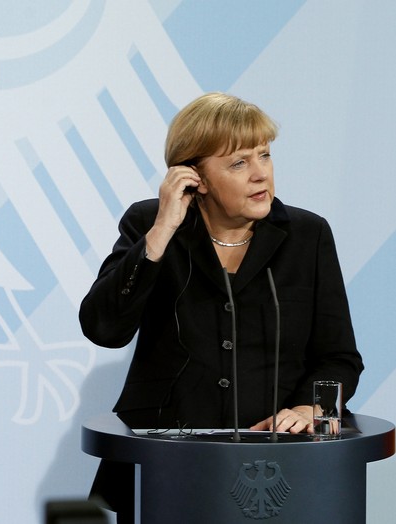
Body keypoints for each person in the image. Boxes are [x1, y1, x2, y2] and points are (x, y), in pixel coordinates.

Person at [78, 92, 363, 521]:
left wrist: (312, 409)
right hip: (163, 463)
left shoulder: (308, 236)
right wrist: (160, 234)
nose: (260, 175)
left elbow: (338, 358)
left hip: (277, 470)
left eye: (264, 156)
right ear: (195, 178)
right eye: (238, 163)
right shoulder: (151, 225)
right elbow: (103, 328)